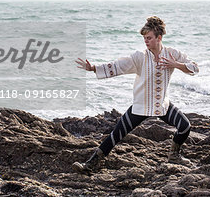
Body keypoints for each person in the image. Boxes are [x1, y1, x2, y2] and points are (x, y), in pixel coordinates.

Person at [72, 16, 199, 174]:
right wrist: (93, 68)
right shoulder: (140, 56)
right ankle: (90, 164)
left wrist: (176, 65)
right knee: (116, 134)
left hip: (162, 105)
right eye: (144, 38)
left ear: (159, 38)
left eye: (149, 38)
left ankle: (174, 155)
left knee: (185, 126)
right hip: (141, 106)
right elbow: (117, 66)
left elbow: (194, 68)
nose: (146, 41)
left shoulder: (172, 54)